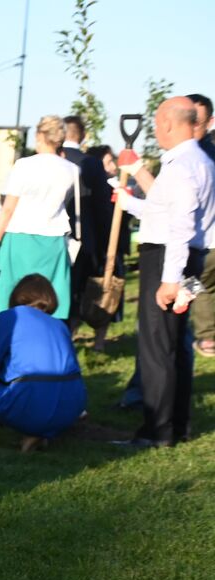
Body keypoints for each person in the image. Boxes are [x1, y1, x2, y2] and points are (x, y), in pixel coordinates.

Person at [115, 96, 215, 447]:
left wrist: (169, 280)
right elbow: (164, 210)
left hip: (172, 259)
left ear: (171, 124)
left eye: (157, 123)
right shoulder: (196, 161)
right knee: (174, 345)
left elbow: (180, 227)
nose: (155, 130)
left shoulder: (183, 165)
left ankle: (157, 431)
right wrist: (128, 203)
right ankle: (176, 426)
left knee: (157, 346)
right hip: (189, 258)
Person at [0, 115, 82, 322]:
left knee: (12, 293)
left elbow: (8, 209)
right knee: (51, 295)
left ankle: (11, 336)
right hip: (53, 239)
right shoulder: (72, 170)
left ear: (39, 136)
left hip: (19, 237)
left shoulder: (24, 165)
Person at [0, 274, 87, 451]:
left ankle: (32, 428)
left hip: (29, 399)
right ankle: (42, 430)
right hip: (73, 407)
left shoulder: (9, 317)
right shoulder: (60, 325)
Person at [73, 145, 130, 350]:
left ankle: (99, 342)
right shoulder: (92, 192)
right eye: (107, 162)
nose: (112, 166)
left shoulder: (112, 190)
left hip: (107, 251)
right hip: (96, 252)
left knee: (107, 295)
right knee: (81, 295)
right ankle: (75, 337)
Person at [185, 93, 215, 357]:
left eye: (198, 121)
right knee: (205, 286)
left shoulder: (201, 157)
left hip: (202, 240)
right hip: (203, 239)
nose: (192, 126)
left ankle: (203, 336)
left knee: (194, 285)